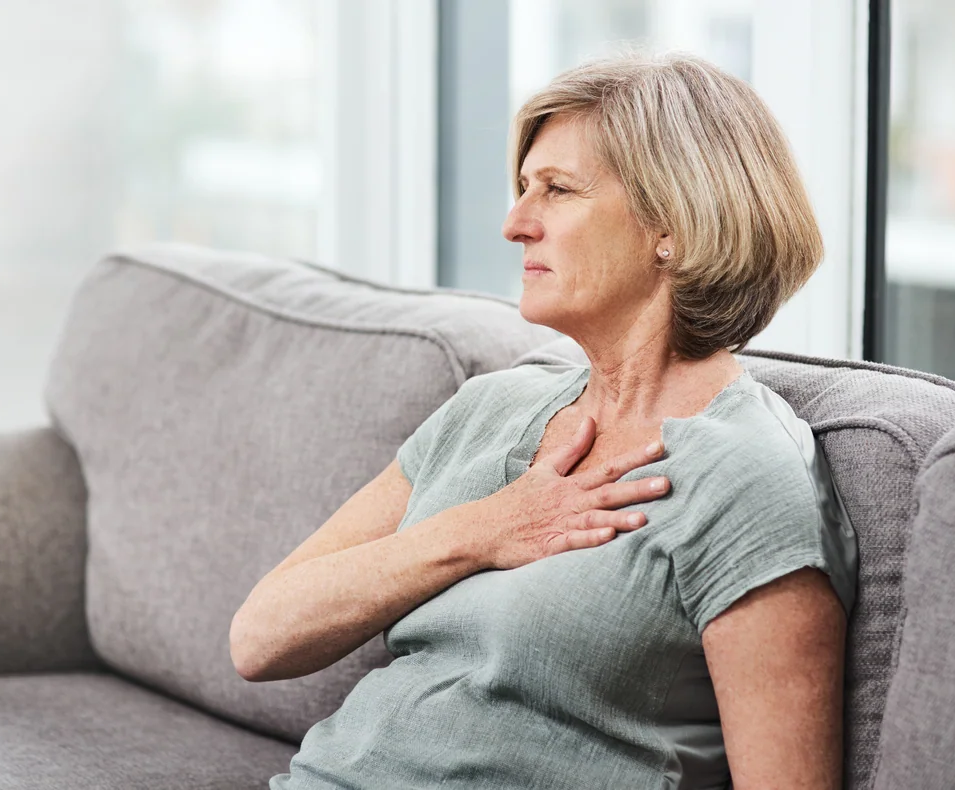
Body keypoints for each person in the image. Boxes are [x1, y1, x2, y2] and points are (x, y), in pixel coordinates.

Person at [231, 52, 859, 789]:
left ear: (675, 226)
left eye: (557, 190)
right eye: (523, 188)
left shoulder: (746, 478)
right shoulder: (491, 409)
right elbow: (260, 638)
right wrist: (486, 528)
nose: (515, 224)